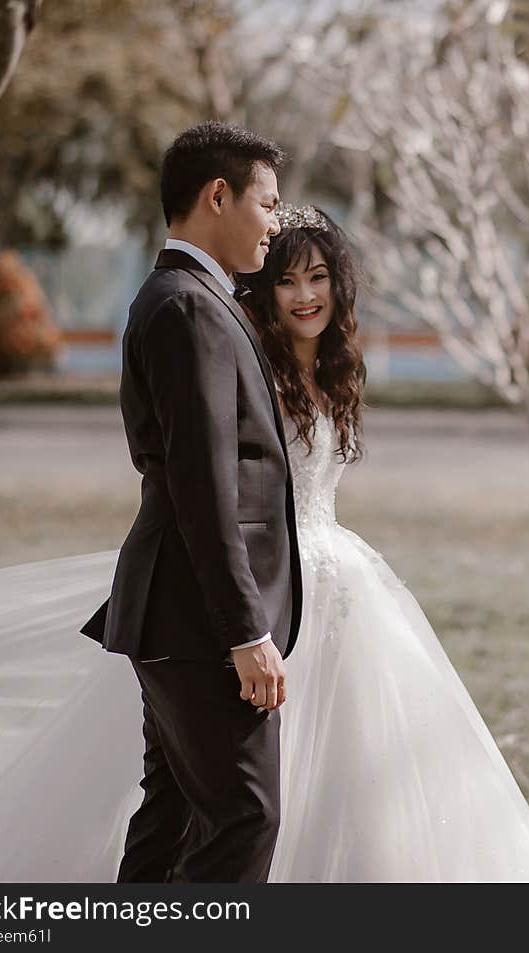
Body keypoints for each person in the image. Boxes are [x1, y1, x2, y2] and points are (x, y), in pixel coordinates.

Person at [233, 204, 529, 882]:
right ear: (266, 289)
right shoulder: (255, 371)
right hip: (277, 580)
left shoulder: (340, 369)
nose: (306, 295)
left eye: (318, 277)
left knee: (369, 759)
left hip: (344, 577)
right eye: (288, 281)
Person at [80, 120, 303, 883]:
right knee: (246, 817)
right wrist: (246, 632)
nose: (277, 222)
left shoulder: (194, 296)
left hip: (179, 612)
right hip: (200, 621)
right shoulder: (187, 308)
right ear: (218, 195)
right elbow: (202, 485)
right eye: (268, 203)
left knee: (173, 815)